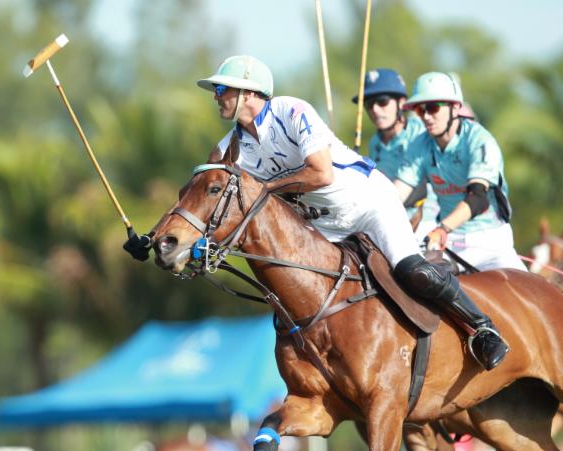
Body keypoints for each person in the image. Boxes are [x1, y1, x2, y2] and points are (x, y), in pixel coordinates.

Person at [123, 56, 508, 375]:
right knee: (293, 287)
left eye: (222, 90)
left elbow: (321, 173)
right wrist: (154, 237)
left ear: (249, 93)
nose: (216, 97)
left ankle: (482, 329)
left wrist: (265, 188)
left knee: (413, 270)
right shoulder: (228, 148)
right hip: (324, 224)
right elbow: (204, 197)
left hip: (368, 204)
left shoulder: (292, 111)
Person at [394, 71, 527, 272]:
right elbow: (397, 194)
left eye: (433, 108)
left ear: (455, 107)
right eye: (420, 110)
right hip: (449, 242)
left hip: (490, 242)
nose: (426, 117)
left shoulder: (480, 141)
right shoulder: (420, 144)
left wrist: (442, 229)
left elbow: (478, 199)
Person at [353, 68, 438, 242]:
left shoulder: (421, 133)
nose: (375, 110)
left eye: (382, 102)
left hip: (427, 219)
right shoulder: (375, 142)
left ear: (401, 103)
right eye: (369, 104)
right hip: (390, 218)